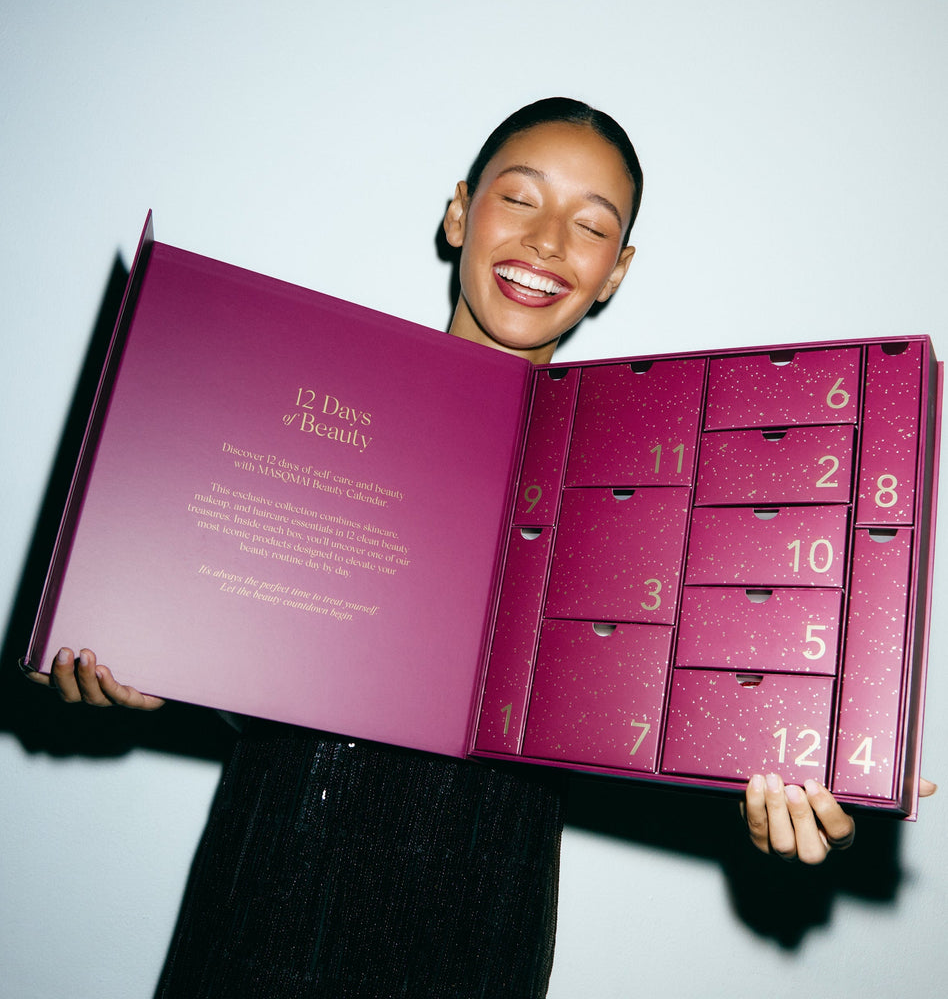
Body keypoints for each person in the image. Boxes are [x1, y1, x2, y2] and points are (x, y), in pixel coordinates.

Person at [22, 98, 933, 997]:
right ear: (460, 212)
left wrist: (821, 771)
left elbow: (720, 674)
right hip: (273, 879)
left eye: (591, 226)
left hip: (484, 919)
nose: (546, 243)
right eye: (520, 198)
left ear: (615, 271)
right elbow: (260, 644)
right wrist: (150, 663)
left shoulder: (655, 473)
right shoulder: (321, 402)